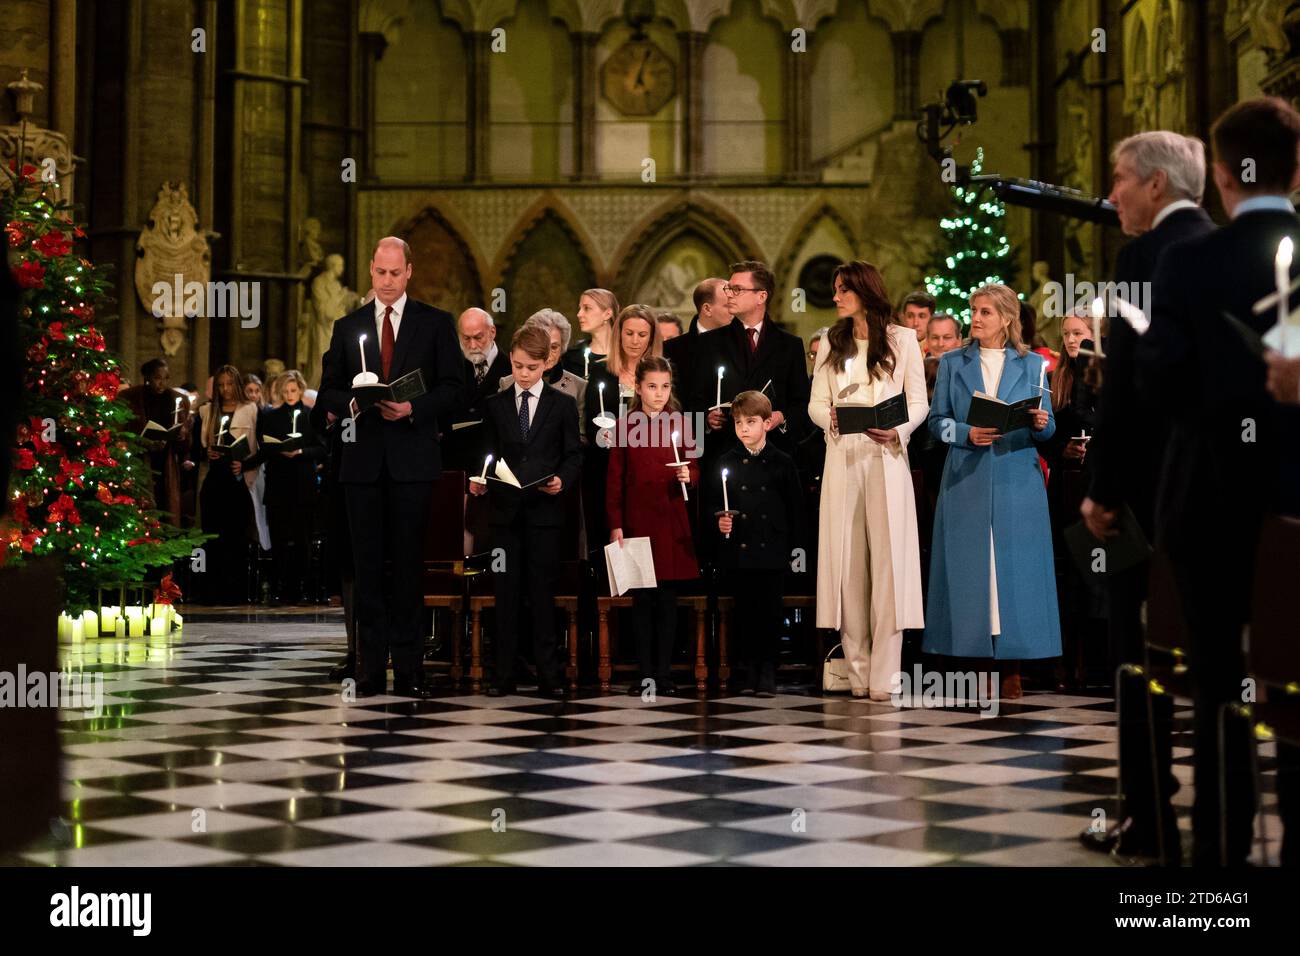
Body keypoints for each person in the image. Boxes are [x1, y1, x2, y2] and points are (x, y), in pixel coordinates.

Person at [1135, 97, 1300, 866]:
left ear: (1224, 175)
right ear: (1295, 168)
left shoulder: (1193, 261)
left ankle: (1219, 871)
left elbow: (1161, 387)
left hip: (1211, 506)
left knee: (1218, 689)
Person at [1078, 129, 1213, 862]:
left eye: (1122, 179)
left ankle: (1148, 812)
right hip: (1224, 490)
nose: (1113, 194)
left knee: (1138, 651)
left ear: (1156, 184)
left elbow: (1125, 394)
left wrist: (1101, 490)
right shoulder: (1231, 248)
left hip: (1146, 493)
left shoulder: (1139, 260)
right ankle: (1222, 819)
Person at [317, 236, 465, 698]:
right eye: (379, 273)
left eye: (394, 273)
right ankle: (367, 670)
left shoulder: (435, 324)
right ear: (370, 270)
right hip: (361, 465)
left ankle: (409, 669)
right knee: (366, 570)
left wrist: (414, 410)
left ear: (408, 272)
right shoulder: (348, 326)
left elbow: (455, 388)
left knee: (406, 569)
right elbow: (327, 392)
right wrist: (354, 404)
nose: (386, 281)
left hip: (412, 462)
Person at [923, 283, 1060, 699]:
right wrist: (966, 432)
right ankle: (976, 663)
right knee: (973, 571)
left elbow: (1049, 426)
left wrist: (1040, 423)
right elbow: (936, 422)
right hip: (967, 476)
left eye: (984, 312)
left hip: (1017, 478)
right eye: (973, 310)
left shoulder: (1033, 363)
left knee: (1015, 573)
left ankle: (1013, 667)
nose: (975, 319)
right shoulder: (952, 362)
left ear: (1006, 318)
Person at [808, 261, 928, 699]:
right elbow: (815, 403)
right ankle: (856, 672)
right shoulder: (830, 342)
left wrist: (900, 429)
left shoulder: (903, 339)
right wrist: (832, 419)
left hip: (885, 456)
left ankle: (885, 674)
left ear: (864, 291)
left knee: (888, 565)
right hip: (843, 458)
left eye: (842, 290)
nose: (836, 297)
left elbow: (918, 399)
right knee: (849, 566)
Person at [469, 324, 583, 698]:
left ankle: (549, 676)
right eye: (517, 365)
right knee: (506, 595)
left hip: (545, 517)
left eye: (530, 368)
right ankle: (502, 676)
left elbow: (573, 455)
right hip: (505, 517)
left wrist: (561, 482)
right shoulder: (496, 405)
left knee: (541, 595)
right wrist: (480, 478)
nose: (522, 374)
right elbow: (484, 453)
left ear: (546, 364)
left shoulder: (562, 405)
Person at [606, 355, 699, 695]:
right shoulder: (625, 426)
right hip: (637, 522)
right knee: (642, 602)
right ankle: (645, 674)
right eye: (652, 387)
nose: (659, 394)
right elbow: (615, 479)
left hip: (671, 520)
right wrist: (616, 523)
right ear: (638, 387)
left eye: (665, 386)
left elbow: (695, 468)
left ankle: (665, 673)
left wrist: (689, 475)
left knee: (668, 601)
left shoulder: (683, 423)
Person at [713, 390, 805, 696]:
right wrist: (720, 521)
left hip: (773, 551)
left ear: (767, 423)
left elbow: (796, 510)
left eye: (750, 421)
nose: (743, 428)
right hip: (740, 550)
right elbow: (715, 505)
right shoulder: (726, 461)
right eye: (738, 422)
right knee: (745, 612)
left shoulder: (782, 462)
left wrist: (795, 551)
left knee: (769, 613)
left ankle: (767, 669)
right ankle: (747, 668)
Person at [691, 260, 812, 464]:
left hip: (774, 457)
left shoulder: (789, 345)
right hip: (724, 453)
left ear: (761, 296)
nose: (729, 294)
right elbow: (694, 398)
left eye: (736, 289)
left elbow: (802, 403)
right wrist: (706, 418)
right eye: (729, 288)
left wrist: (780, 417)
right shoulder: (709, 343)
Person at [1042, 312, 1102, 691]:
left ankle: (1097, 662)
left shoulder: (1103, 375)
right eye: (1065, 333)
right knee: (1067, 575)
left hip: (1096, 484)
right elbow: (1049, 432)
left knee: (1096, 574)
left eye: (1078, 332)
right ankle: (1065, 663)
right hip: (1066, 485)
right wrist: (1062, 447)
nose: (1070, 339)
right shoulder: (1057, 378)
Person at [583, 304, 661, 555]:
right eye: (629, 333)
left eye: (642, 334)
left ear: (651, 338)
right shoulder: (601, 370)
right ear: (618, 334)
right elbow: (593, 419)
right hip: (607, 467)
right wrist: (603, 434)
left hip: (647, 470)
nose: (635, 341)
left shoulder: (662, 373)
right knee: (607, 542)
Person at [245, 369, 324, 604]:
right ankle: (279, 587)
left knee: (302, 539)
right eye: (286, 391)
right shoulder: (271, 417)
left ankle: (302, 588)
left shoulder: (311, 415)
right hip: (279, 484)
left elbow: (322, 449)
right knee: (279, 539)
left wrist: (300, 451)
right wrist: (245, 464)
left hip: (303, 484)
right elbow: (264, 448)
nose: (290, 394)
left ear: (300, 389)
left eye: (294, 390)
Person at [194, 364, 260, 605]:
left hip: (238, 480)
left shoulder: (251, 410)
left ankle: (236, 591)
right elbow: (197, 448)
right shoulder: (207, 411)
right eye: (220, 385)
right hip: (215, 479)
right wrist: (206, 451)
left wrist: (245, 465)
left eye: (229, 384)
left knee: (236, 536)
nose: (225, 389)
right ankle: (212, 591)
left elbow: (259, 447)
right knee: (213, 536)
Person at [120, 357, 194, 527]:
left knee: (166, 506)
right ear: (147, 378)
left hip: (166, 463)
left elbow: (185, 443)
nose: (162, 383)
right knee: (143, 508)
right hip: (140, 462)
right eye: (157, 378)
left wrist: (181, 436)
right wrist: (146, 442)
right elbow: (125, 431)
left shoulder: (177, 399)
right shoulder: (132, 398)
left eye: (166, 378)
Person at [441, 307, 511, 474]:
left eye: (478, 338)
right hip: (456, 464)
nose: (472, 345)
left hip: (495, 465)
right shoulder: (450, 368)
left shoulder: (511, 369)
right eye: (466, 339)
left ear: (492, 332)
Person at [663, 278, 728, 393]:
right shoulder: (670, 349)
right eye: (727, 306)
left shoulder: (744, 344)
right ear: (707, 309)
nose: (734, 310)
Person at [562, 288, 617, 378]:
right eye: (580, 309)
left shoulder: (627, 354)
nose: (579, 314)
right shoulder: (572, 357)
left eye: (587, 308)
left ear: (607, 314)